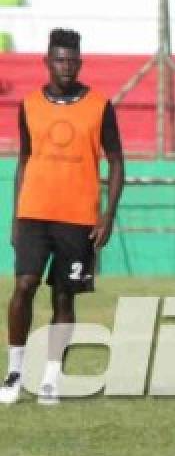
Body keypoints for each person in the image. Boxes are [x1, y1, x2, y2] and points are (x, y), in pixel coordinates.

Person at [2, 28, 124, 406]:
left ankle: (52, 378)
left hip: (77, 218)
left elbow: (117, 162)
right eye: (59, 60)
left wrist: (107, 215)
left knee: (64, 298)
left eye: (73, 61)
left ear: (80, 62)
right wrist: (15, 215)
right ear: (47, 62)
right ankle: (15, 371)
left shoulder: (100, 106)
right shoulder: (29, 104)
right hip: (34, 213)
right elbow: (24, 160)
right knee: (24, 286)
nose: (66, 67)